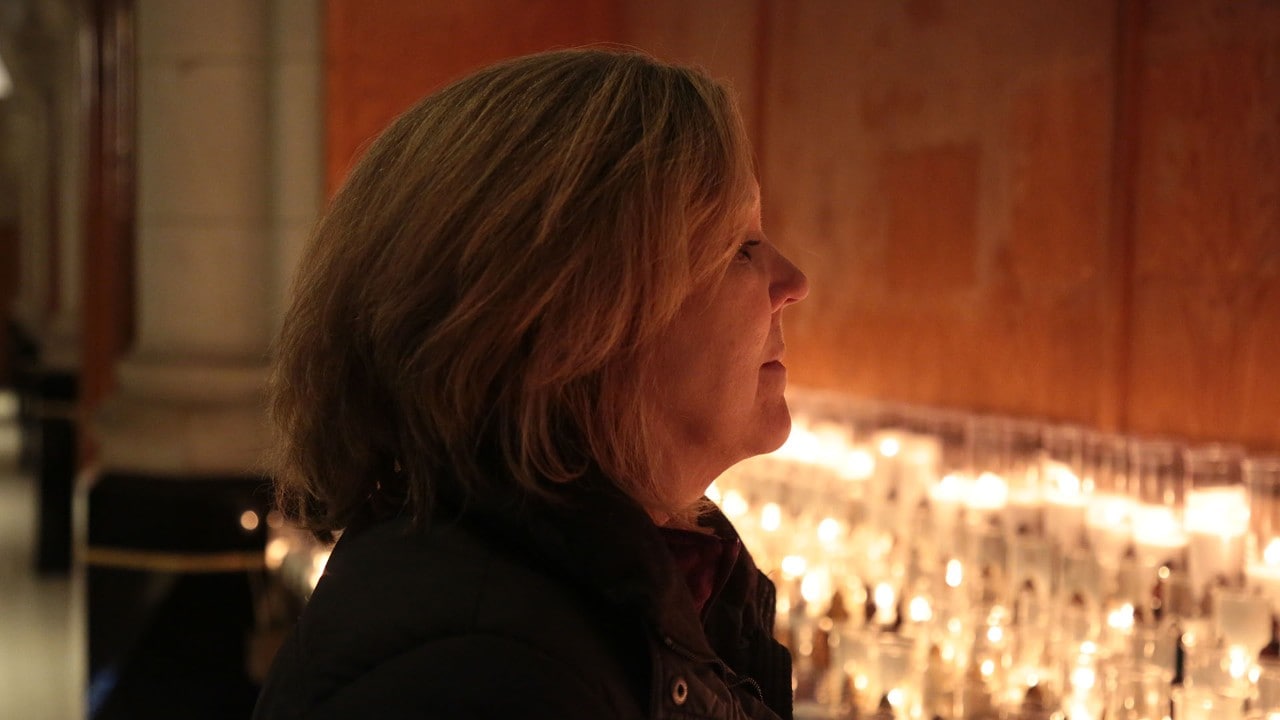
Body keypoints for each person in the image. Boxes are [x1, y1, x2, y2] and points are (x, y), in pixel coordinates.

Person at [254, 47, 809, 719]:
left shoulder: (629, 589)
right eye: (738, 248)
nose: (792, 283)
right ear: (578, 315)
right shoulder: (483, 675)